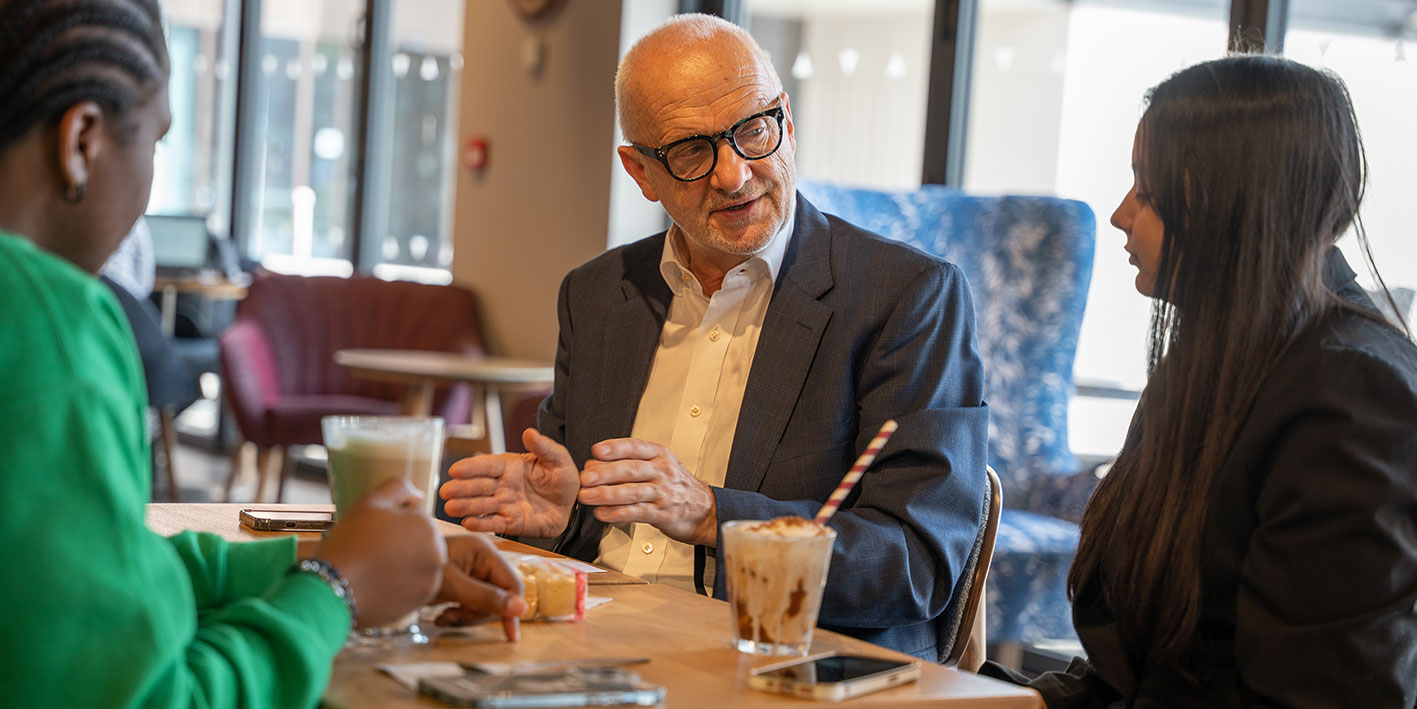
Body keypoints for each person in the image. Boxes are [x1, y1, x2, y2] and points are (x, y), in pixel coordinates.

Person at [0, 1, 524, 706]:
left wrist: (336, 554)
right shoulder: (49, 320)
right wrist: (335, 588)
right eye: (156, 141)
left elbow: (93, 569)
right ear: (82, 140)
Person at [440, 13, 989, 662]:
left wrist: (710, 514)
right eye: (691, 150)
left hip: (780, 664)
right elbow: (597, 535)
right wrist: (565, 518)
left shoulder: (904, 297)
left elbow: (916, 562)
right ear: (641, 172)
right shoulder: (597, 295)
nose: (733, 174)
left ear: (786, 123)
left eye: (753, 130)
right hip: (592, 645)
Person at [981, 55, 1417, 706]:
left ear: (1231, 199)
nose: (1119, 214)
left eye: (1146, 188)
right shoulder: (1214, 360)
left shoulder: (1352, 396)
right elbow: (1143, 673)